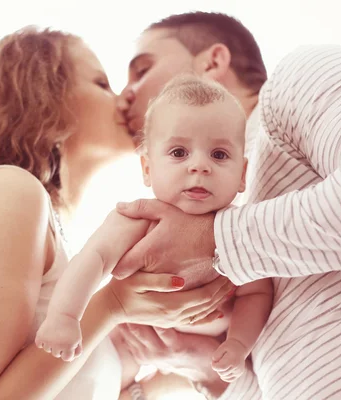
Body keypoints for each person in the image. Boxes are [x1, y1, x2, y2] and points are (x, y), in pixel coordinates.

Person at [0, 25, 234, 400]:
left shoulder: (63, 263)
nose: (124, 99)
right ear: (44, 97)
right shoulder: (8, 192)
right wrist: (114, 305)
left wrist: (184, 362)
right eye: (102, 84)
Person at [115, 11, 341, 400]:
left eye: (142, 69)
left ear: (212, 62)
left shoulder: (295, 83)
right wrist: (206, 367)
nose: (123, 95)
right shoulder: (219, 208)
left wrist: (214, 241)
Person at [35, 76, 273, 383]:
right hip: (132, 341)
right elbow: (92, 260)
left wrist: (239, 343)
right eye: (178, 153)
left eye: (219, 155)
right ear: (147, 169)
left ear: (242, 174)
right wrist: (64, 317)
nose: (199, 166)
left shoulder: (239, 231)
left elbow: (257, 291)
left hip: (200, 353)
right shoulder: (137, 220)